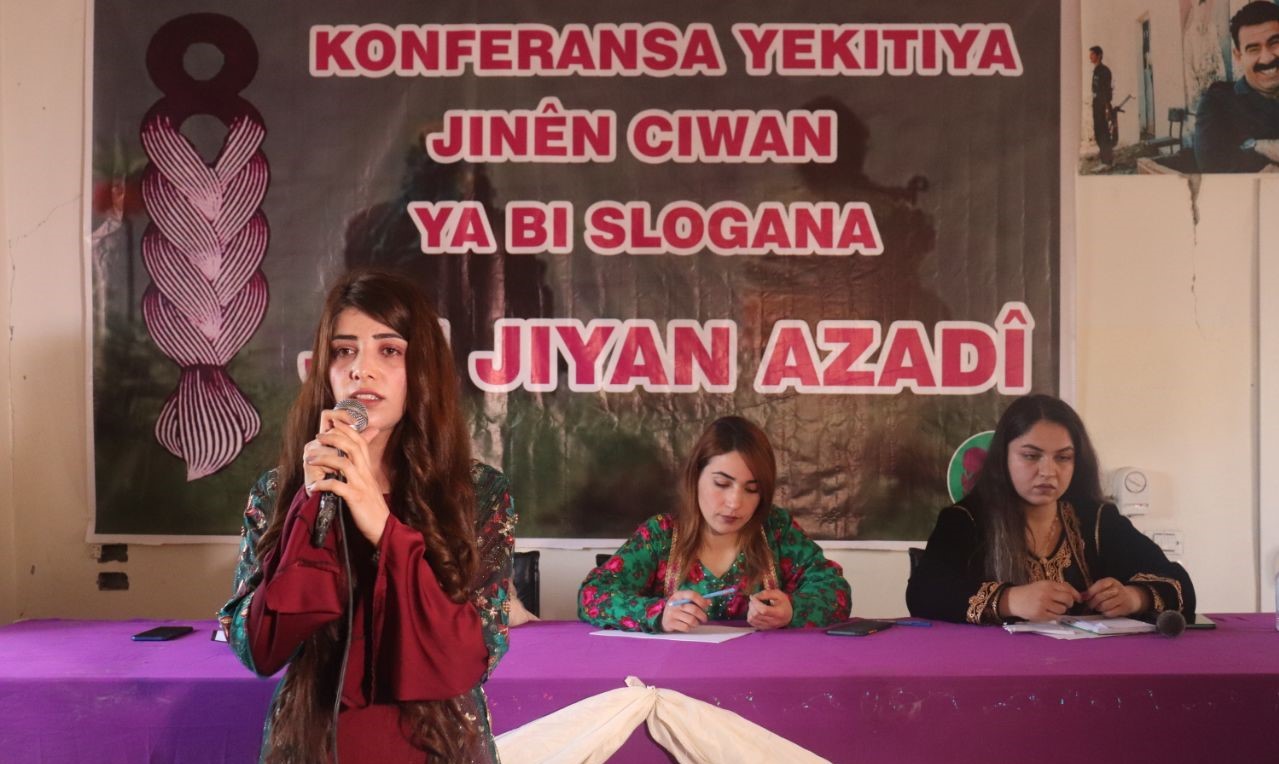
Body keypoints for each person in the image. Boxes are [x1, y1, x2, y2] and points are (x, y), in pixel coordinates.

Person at [218, 269, 515, 763]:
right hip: (313, 744)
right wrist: (310, 505)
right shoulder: (280, 491)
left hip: (435, 746)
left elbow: (472, 655)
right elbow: (258, 648)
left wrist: (382, 526)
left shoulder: (476, 492)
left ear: (421, 369)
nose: (361, 370)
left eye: (389, 350)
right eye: (344, 351)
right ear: (325, 370)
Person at [906, 394, 1194, 624]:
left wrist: (1134, 597)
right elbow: (923, 593)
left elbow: (1179, 584)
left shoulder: (1096, 519)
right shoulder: (966, 520)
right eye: (1031, 456)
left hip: (1087, 667)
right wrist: (1010, 601)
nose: (1048, 471)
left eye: (1063, 458)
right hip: (996, 668)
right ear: (1003, 458)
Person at [578, 416, 851, 632]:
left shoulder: (776, 529)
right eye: (721, 484)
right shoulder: (661, 535)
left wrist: (792, 609)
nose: (734, 503)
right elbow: (593, 595)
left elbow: (835, 592)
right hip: (675, 678)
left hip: (763, 671)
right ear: (696, 477)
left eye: (752, 489)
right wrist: (658, 614)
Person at [1195, 1, 1279, 173]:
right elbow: (1213, 165)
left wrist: (1249, 147)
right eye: (1253, 49)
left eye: (1275, 43)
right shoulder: (1218, 102)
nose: (1267, 58)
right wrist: (1259, 146)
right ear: (1238, 56)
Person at [1090, 46, 1116, 165]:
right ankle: (1104, 160)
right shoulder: (1096, 70)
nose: (1090, 56)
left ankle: (1108, 161)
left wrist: (1106, 108)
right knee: (1098, 132)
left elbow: (1106, 91)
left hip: (1102, 106)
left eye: (1092, 54)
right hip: (1096, 105)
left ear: (1099, 55)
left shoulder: (1104, 71)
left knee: (1104, 132)